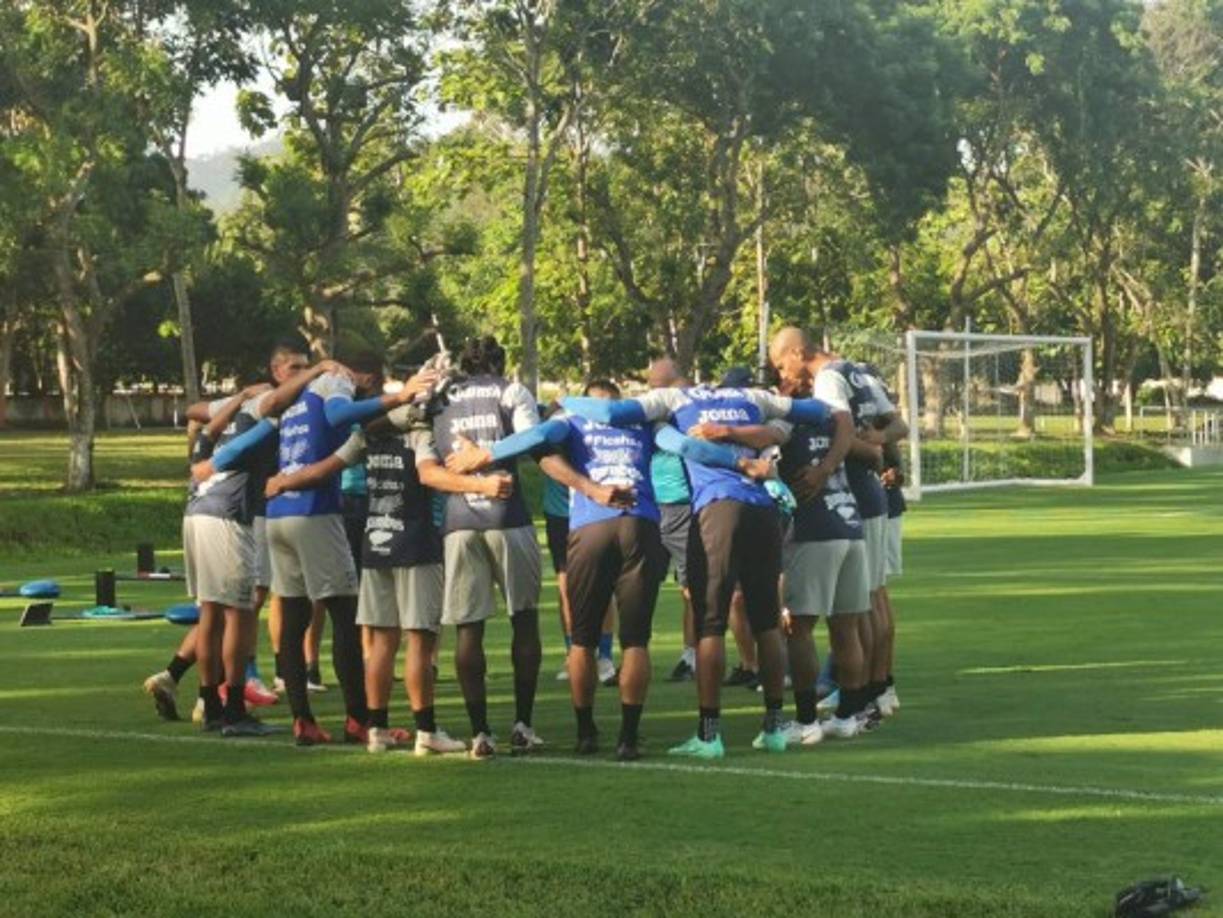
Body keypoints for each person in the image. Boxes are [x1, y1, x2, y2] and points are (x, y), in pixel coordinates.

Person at [449, 378, 770, 760]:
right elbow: (685, 446)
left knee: (582, 639)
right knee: (635, 640)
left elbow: (532, 439)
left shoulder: (569, 421)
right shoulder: (645, 425)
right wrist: (741, 462)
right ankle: (628, 738)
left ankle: (586, 733)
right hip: (641, 525)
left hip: (591, 527)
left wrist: (484, 455)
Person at [562, 377, 830, 758]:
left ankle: (709, 735)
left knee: (710, 625)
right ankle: (772, 729)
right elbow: (818, 411)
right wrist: (768, 433)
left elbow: (611, 412)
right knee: (767, 621)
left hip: (717, 510)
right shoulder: (749, 396)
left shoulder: (675, 399)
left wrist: (563, 398)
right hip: (763, 508)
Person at [212, 351, 437, 745]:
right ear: (361, 374)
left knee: (295, 619)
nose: (377, 387)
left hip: (278, 515)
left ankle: (303, 721)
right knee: (346, 617)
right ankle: (358, 720)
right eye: (376, 380)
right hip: (315, 513)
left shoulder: (291, 401)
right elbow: (337, 416)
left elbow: (231, 452)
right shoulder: (335, 382)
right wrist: (399, 399)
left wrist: (275, 477)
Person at [265, 391, 482, 755]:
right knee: (420, 639)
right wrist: (479, 479)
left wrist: (285, 481)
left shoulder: (366, 435)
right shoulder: (422, 434)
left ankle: (376, 728)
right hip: (416, 543)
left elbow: (326, 467)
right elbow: (429, 475)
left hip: (375, 542)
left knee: (382, 642)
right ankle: (426, 731)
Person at [142, 338, 311, 722]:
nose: (301, 376)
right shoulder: (269, 402)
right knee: (241, 611)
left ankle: (208, 699)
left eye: (307, 368)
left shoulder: (247, 402)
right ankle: (232, 705)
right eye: (295, 369)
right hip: (228, 512)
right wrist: (210, 462)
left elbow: (204, 424)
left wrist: (225, 414)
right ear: (277, 371)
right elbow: (211, 427)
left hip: (202, 509)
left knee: (215, 612)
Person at [415, 336, 551, 759]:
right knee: (523, 620)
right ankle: (523, 725)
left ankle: (480, 734)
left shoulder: (440, 398)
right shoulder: (511, 390)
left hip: (458, 520)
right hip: (507, 515)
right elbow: (531, 440)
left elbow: (425, 453)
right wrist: (490, 453)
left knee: (468, 628)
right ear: (500, 362)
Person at [645, 358, 699, 684]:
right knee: (640, 587)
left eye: (656, 387)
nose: (651, 393)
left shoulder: (692, 413)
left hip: (685, 507)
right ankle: (634, 654)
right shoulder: (649, 416)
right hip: (650, 507)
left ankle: (691, 657)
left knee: (691, 587)